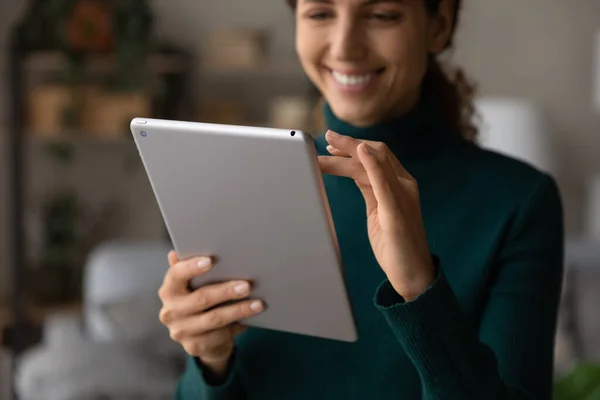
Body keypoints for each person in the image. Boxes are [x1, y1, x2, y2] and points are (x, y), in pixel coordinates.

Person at [159, 0, 564, 398]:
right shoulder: (244, 180)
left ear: (438, 24)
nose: (344, 47)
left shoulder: (518, 202)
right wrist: (210, 362)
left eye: (381, 15)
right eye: (320, 13)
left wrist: (420, 289)